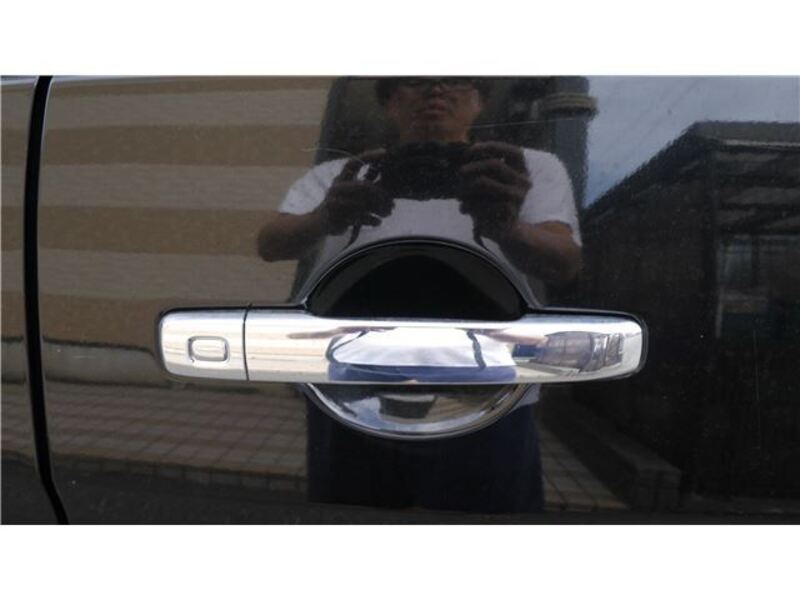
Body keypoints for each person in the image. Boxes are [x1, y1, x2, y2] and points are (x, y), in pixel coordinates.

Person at [259, 77, 583, 513]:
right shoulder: (339, 174)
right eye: (415, 81)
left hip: (489, 388)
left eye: (457, 81)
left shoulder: (523, 168)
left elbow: (564, 262)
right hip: (351, 384)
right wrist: (325, 217)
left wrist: (509, 228)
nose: (436, 91)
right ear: (389, 102)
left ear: (480, 102)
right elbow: (271, 245)